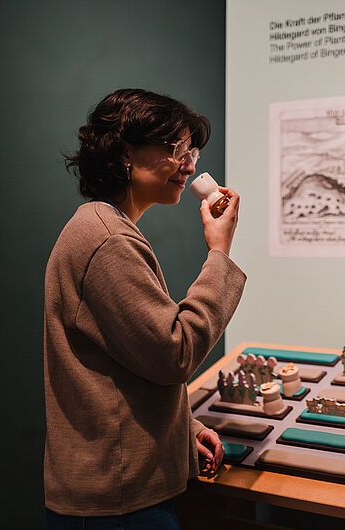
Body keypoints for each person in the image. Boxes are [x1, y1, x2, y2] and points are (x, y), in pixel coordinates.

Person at [43, 88, 246, 528]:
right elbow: (175, 353)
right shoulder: (109, 240)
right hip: (119, 504)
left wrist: (184, 431)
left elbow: (130, 366)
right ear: (125, 154)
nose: (190, 165)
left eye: (191, 151)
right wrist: (219, 254)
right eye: (176, 149)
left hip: (119, 492)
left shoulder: (105, 229)